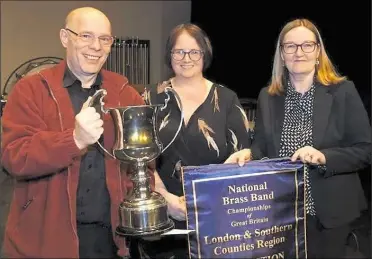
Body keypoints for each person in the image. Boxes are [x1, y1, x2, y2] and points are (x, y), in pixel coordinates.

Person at [1, 7, 151, 258]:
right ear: (64, 37)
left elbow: (144, 161)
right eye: (86, 36)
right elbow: (13, 156)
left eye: (105, 39)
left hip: (111, 240)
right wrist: (73, 140)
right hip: (46, 240)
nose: (96, 46)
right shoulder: (31, 90)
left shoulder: (125, 93)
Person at [225, 18, 371, 258]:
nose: (298, 52)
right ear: (282, 54)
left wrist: (324, 156)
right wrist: (249, 153)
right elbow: (262, 146)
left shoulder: (343, 91)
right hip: (282, 213)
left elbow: (365, 149)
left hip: (330, 214)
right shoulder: (268, 96)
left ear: (318, 51)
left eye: (307, 45)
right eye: (290, 46)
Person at [131, 23, 252, 258]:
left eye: (194, 51)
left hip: (214, 217)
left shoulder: (227, 99)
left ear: (204, 54)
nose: (186, 58)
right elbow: (138, 157)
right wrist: (165, 199)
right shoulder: (150, 97)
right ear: (170, 55)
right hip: (160, 217)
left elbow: (242, 154)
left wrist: (209, 194)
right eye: (179, 51)